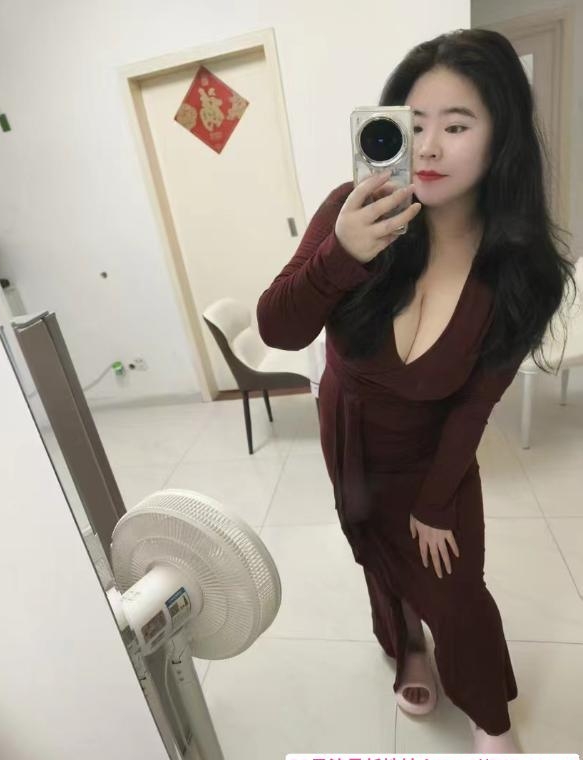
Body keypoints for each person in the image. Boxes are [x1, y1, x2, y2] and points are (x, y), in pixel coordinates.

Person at [257, 28, 575, 753]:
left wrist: (435, 503)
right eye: (415, 122)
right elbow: (279, 328)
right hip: (346, 439)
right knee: (375, 557)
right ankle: (407, 648)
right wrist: (340, 254)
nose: (428, 148)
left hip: (430, 460)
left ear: (501, 138)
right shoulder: (354, 209)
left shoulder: (522, 272)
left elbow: (475, 403)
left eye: (456, 126)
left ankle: (491, 719)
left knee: (457, 595)